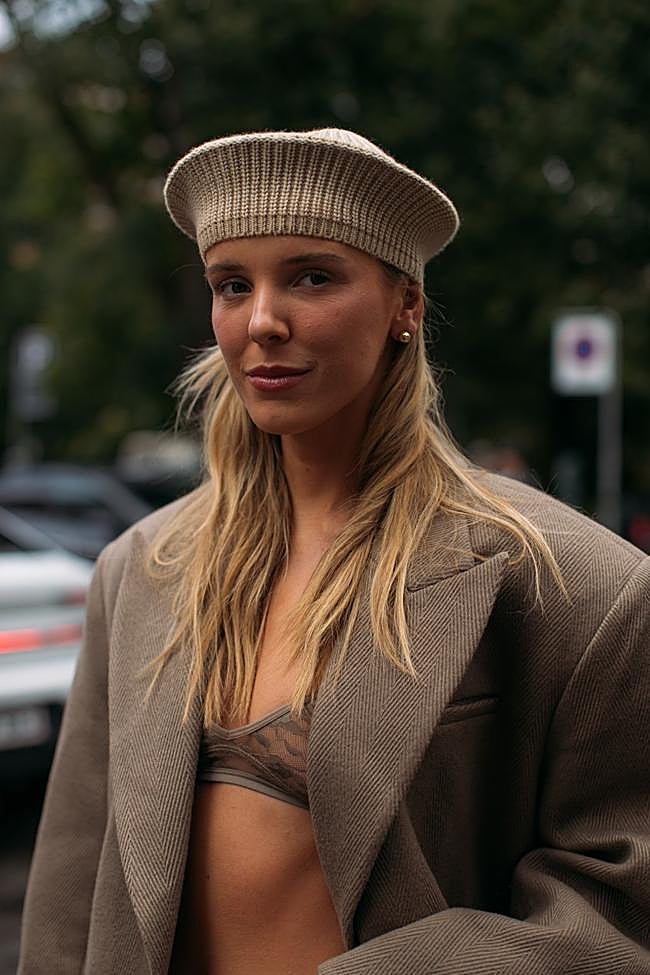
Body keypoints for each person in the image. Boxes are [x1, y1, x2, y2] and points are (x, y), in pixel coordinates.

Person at [18, 128, 649, 975]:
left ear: (406, 304)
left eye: (312, 276)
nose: (263, 320)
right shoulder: (139, 570)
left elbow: (617, 906)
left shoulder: (569, 584)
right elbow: (68, 887)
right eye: (231, 284)